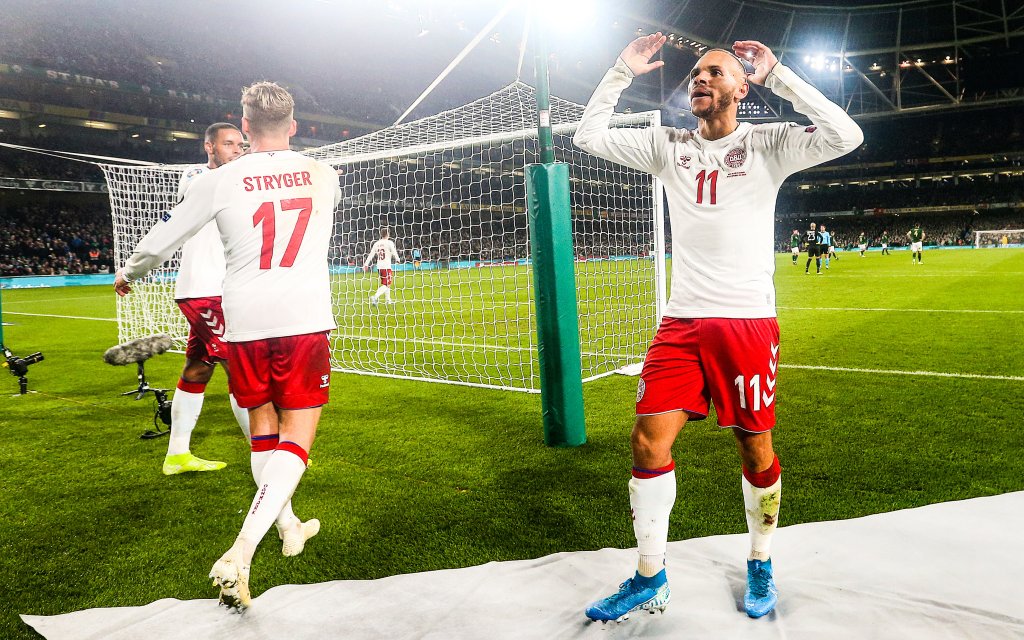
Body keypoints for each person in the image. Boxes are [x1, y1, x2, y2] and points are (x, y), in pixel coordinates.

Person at [574, 33, 862, 622]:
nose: (699, 80)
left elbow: (845, 134)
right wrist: (620, 72)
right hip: (680, 323)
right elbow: (588, 136)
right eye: (695, 75)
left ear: (741, 86)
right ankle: (649, 575)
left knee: (755, 450)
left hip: (746, 323)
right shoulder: (668, 146)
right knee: (647, 442)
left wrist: (779, 74)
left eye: (714, 72)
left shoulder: (770, 144)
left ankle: (760, 558)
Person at [114, 81, 341, 611]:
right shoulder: (324, 174)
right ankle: (241, 550)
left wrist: (130, 272)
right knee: (298, 435)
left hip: (243, 322)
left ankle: (288, 529)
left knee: (263, 431)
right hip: (303, 318)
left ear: (244, 128)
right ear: (294, 126)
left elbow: (166, 236)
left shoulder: (218, 180)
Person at [161, 122, 250, 476]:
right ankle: (269, 451)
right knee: (241, 367)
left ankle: (177, 455)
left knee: (198, 368)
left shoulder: (232, 181)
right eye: (229, 144)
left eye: (241, 144)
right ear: (209, 147)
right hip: (204, 292)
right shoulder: (198, 178)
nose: (237, 149)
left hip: (219, 291)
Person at [363, 228, 401, 304]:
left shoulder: (376, 243)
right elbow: (394, 251)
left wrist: (366, 264)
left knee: (387, 283)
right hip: (386, 266)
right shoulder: (389, 242)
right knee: (387, 284)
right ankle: (375, 297)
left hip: (379, 266)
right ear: (388, 234)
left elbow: (371, 254)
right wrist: (398, 259)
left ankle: (388, 300)